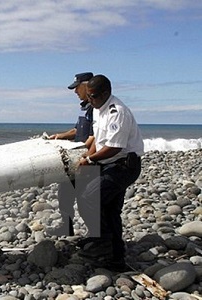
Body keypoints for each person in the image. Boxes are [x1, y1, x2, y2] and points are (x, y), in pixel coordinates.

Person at [76, 75, 144, 271]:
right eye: (88, 96)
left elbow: (114, 147)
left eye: (94, 96)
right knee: (109, 209)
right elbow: (98, 139)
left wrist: (90, 160)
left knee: (91, 197)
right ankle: (115, 257)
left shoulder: (118, 112)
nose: (90, 100)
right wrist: (88, 161)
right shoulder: (98, 109)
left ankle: (101, 245)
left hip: (124, 166)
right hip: (109, 164)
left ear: (106, 93)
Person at [46, 72, 95, 236]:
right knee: (64, 193)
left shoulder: (95, 109)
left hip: (86, 160)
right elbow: (77, 130)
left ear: (87, 86)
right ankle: (66, 226)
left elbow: (94, 137)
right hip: (75, 158)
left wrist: (83, 156)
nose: (75, 92)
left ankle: (94, 234)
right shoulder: (84, 108)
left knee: (84, 199)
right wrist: (59, 136)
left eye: (77, 88)